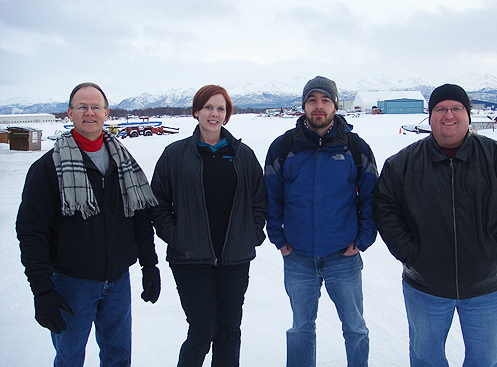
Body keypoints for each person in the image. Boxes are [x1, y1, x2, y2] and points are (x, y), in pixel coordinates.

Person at [373, 83, 497, 367]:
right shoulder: (402, 164)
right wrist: (410, 253)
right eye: (440, 109)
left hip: (488, 287)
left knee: (485, 360)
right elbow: (384, 208)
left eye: (456, 108)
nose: (448, 115)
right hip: (425, 287)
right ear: (430, 117)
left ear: (468, 115)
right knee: (426, 359)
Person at [16, 82, 161, 367]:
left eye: (96, 107)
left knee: (119, 357)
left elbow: (141, 218)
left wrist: (149, 265)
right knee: (70, 359)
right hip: (72, 284)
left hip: (118, 281)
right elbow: (32, 233)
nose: (89, 112)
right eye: (82, 107)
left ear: (106, 112)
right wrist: (42, 291)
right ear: (70, 113)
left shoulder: (124, 164)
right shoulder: (47, 168)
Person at [264, 76, 378, 367]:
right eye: (312, 100)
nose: (319, 106)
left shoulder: (355, 148)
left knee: (355, 327)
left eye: (325, 100)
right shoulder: (283, 147)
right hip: (298, 256)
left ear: (335, 106)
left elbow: (371, 198)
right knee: (301, 328)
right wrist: (279, 240)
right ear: (303, 105)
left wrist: (362, 240)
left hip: (343, 255)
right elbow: (271, 198)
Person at [150, 85, 267, 367]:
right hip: (191, 259)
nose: (214, 114)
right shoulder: (175, 154)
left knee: (229, 331)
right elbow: (157, 203)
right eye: (208, 107)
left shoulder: (243, 154)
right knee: (203, 330)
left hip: (234, 259)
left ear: (227, 115)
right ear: (196, 112)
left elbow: (259, 199)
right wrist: (177, 237)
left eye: (221, 109)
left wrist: (251, 234)